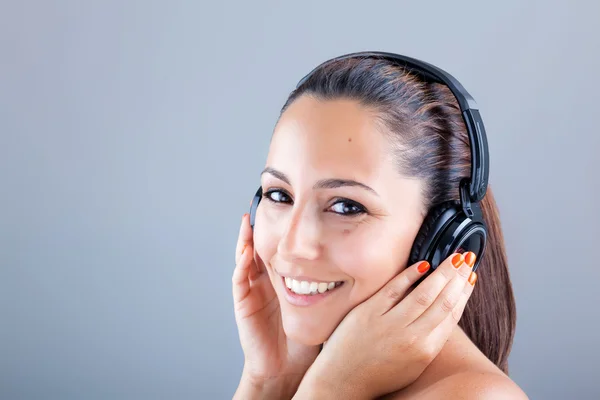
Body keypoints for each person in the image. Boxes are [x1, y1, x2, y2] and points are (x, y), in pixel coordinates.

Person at [232, 52, 528, 399]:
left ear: (442, 241)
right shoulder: (305, 373)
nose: (291, 245)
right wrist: (267, 382)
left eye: (346, 206)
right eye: (280, 195)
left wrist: (330, 390)